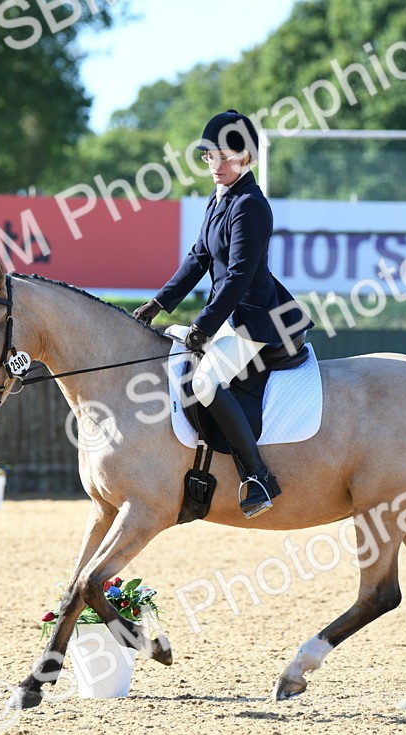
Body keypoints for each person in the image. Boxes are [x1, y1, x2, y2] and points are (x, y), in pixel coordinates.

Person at [133, 109, 313, 519]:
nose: (215, 165)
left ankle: (258, 477)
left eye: (224, 157)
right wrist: (159, 304)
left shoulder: (251, 205)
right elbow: (198, 257)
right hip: (230, 315)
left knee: (204, 381)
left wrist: (204, 325)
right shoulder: (220, 198)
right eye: (209, 156)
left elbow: (238, 277)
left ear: (247, 157)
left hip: (256, 319)